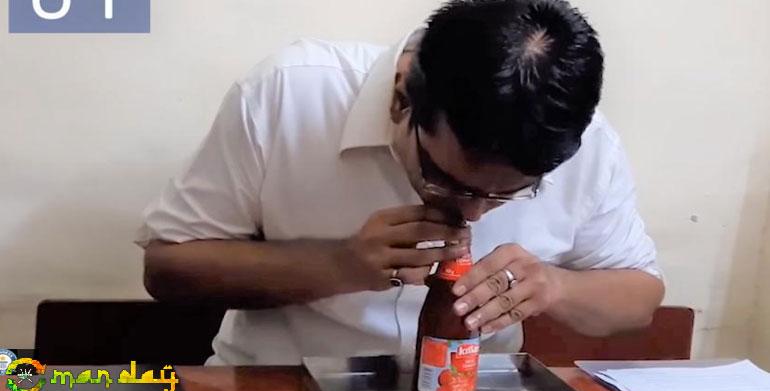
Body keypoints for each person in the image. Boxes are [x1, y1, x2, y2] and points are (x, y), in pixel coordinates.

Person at [136, 0, 665, 366]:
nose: (475, 213)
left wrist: (554, 286)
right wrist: (338, 265)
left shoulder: (588, 144)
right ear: (400, 98)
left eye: (509, 192)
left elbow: (639, 297)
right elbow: (167, 269)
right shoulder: (287, 94)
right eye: (444, 177)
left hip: (470, 389)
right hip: (279, 384)